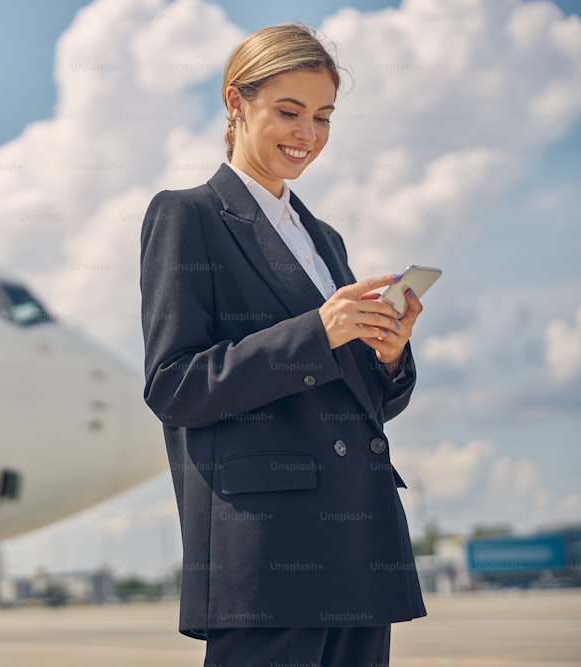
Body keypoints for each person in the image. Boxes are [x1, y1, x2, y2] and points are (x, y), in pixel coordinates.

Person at [139, 24, 426, 666]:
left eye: (323, 117)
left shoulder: (324, 239)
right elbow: (175, 385)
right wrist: (317, 332)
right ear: (236, 103)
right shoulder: (187, 216)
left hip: (358, 538)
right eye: (289, 112)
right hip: (267, 552)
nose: (308, 135)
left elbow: (365, 401)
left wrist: (387, 353)